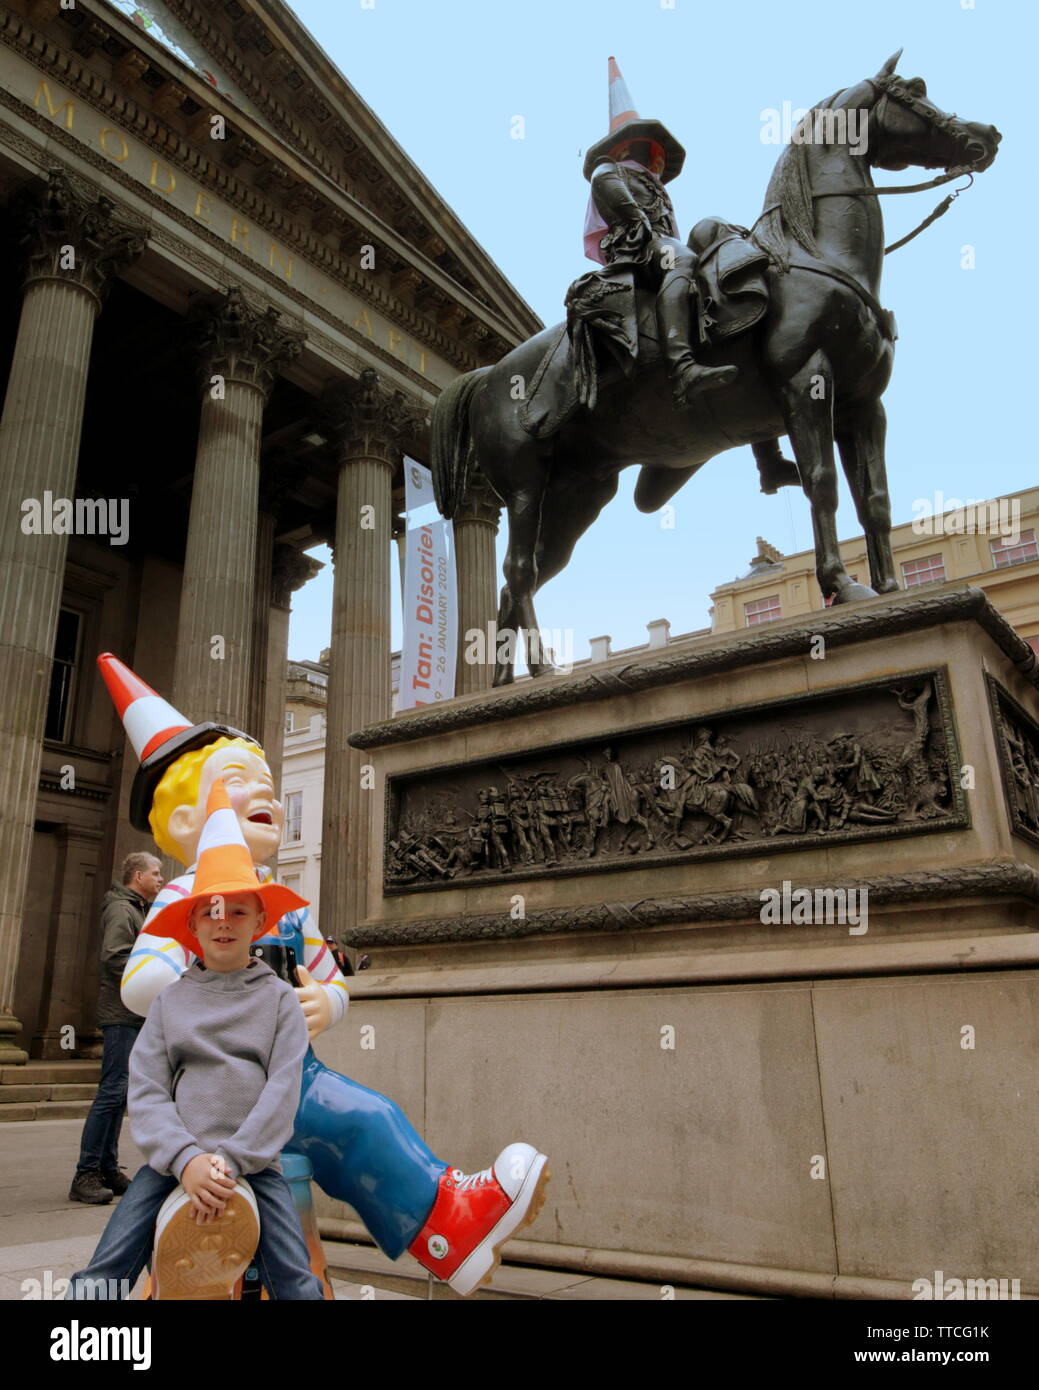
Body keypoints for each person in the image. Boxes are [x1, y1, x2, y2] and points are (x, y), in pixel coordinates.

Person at [99, 652, 550, 1297]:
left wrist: (329, 1003)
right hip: (212, 1084)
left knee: (369, 1117)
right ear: (183, 822)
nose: (267, 795)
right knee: (366, 1121)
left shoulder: (287, 908)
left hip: (287, 1075)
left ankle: (444, 1231)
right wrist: (195, 982)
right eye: (238, 780)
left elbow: (330, 978)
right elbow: (139, 984)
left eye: (269, 784)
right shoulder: (181, 899)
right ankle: (448, 1224)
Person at [66, 778, 324, 1300]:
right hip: (173, 1163)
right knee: (109, 1263)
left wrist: (230, 1161)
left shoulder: (278, 1000)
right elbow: (147, 1089)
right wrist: (186, 1160)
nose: (222, 920)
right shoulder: (170, 1001)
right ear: (191, 924)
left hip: (254, 1162)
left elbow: (282, 1089)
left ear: (260, 921)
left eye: (237, 910)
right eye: (210, 910)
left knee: (295, 1276)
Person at [68, 851, 163, 1206]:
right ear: (137, 876)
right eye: (155, 873)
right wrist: (152, 980)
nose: (160, 879)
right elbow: (115, 956)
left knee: (120, 1093)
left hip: (131, 1012)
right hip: (122, 1012)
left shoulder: (136, 907)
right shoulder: (124, 910)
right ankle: (86, 1172)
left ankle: (106, 1167)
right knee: (111, 1092)